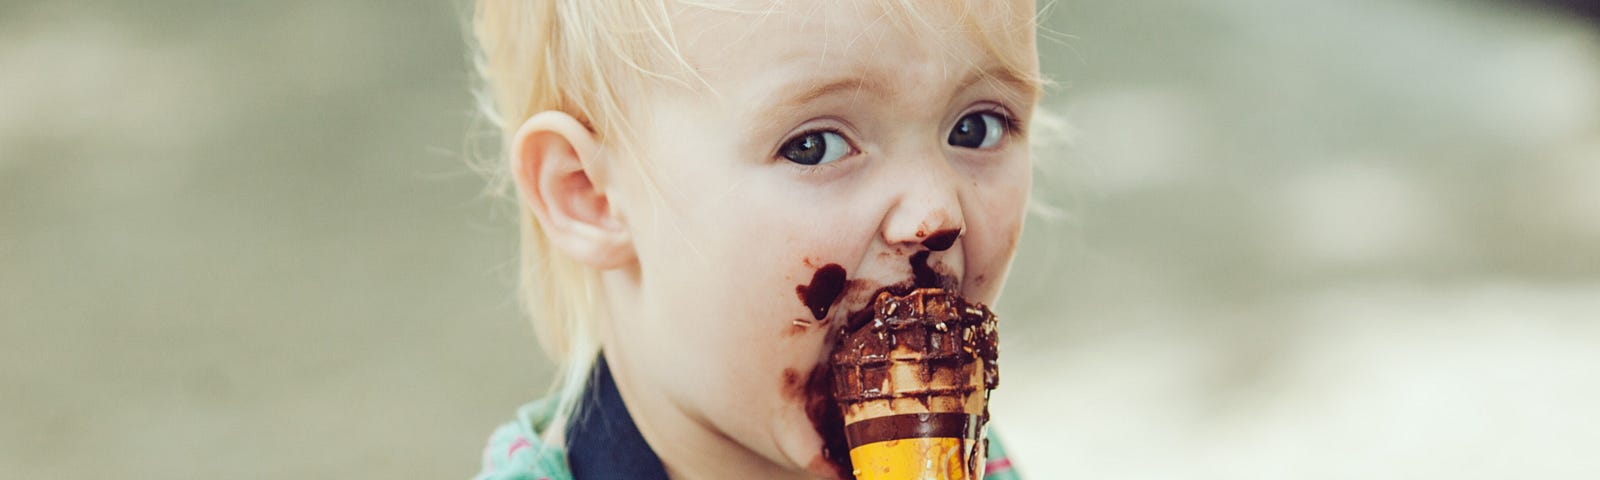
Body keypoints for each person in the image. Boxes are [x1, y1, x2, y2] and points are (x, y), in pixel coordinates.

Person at [469, 0, 1044, 478]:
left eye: (976, 128)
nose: (936, 215)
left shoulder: (978, 459)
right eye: (814, 145)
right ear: (590, 196)